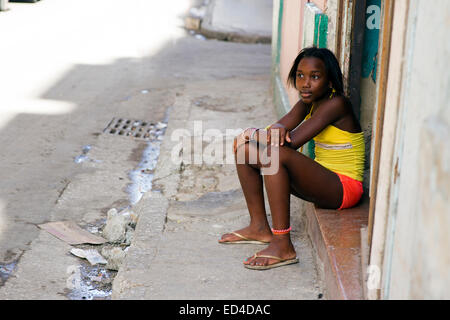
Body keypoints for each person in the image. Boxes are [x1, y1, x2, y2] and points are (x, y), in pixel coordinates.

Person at [218, 47, 365, 270]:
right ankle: (259, 227)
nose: (305, 83)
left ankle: (283, 245)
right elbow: (274, 133)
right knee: (244, 151)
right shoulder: (307, 103)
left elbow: (288, 143)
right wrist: (274, 127)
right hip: (322, 180)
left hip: (344, 188)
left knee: (276, 155)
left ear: (329, 81)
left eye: (315, 77)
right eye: (300, 75)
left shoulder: (337, 104)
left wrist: (252, 132)